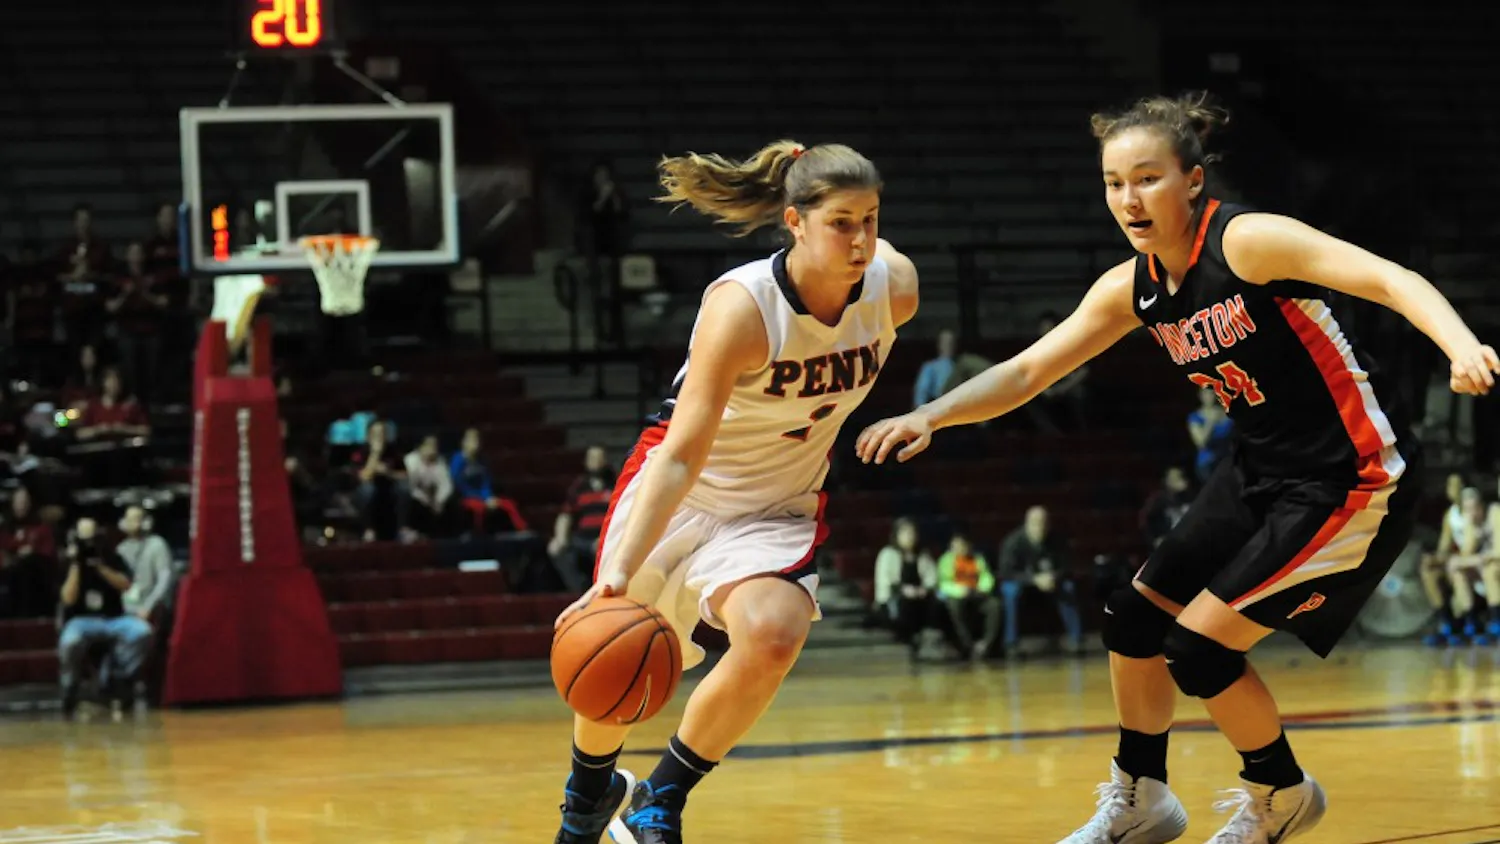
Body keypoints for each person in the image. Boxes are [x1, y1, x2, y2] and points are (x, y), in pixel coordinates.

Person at [855, 92, 1498, 844]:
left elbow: (1387, 278)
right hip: (1260, 468)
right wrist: (928, 415)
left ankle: (1280, 793)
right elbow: (1029, 372)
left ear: (1193, 180)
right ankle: (1143, 798)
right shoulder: (1134, 288)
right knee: (1133, 622)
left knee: (1197, 647)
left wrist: (1458, 344)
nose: (1129, 198)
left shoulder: (1248, 241)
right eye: (1114, 182)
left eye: (1148, 178)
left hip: (1353, 474)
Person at [550, 139, 919, 844]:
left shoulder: (894, 287)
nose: (861, 237)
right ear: (794, 222)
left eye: (871, 219)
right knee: (613, 649)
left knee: (775, 633)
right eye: (841, 221)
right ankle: (588, 792)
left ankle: (661, 796)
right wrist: (621, 574)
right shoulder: (742, 307)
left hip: (776, 504)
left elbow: (873, 247)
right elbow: (682, 454)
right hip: (684, 488)